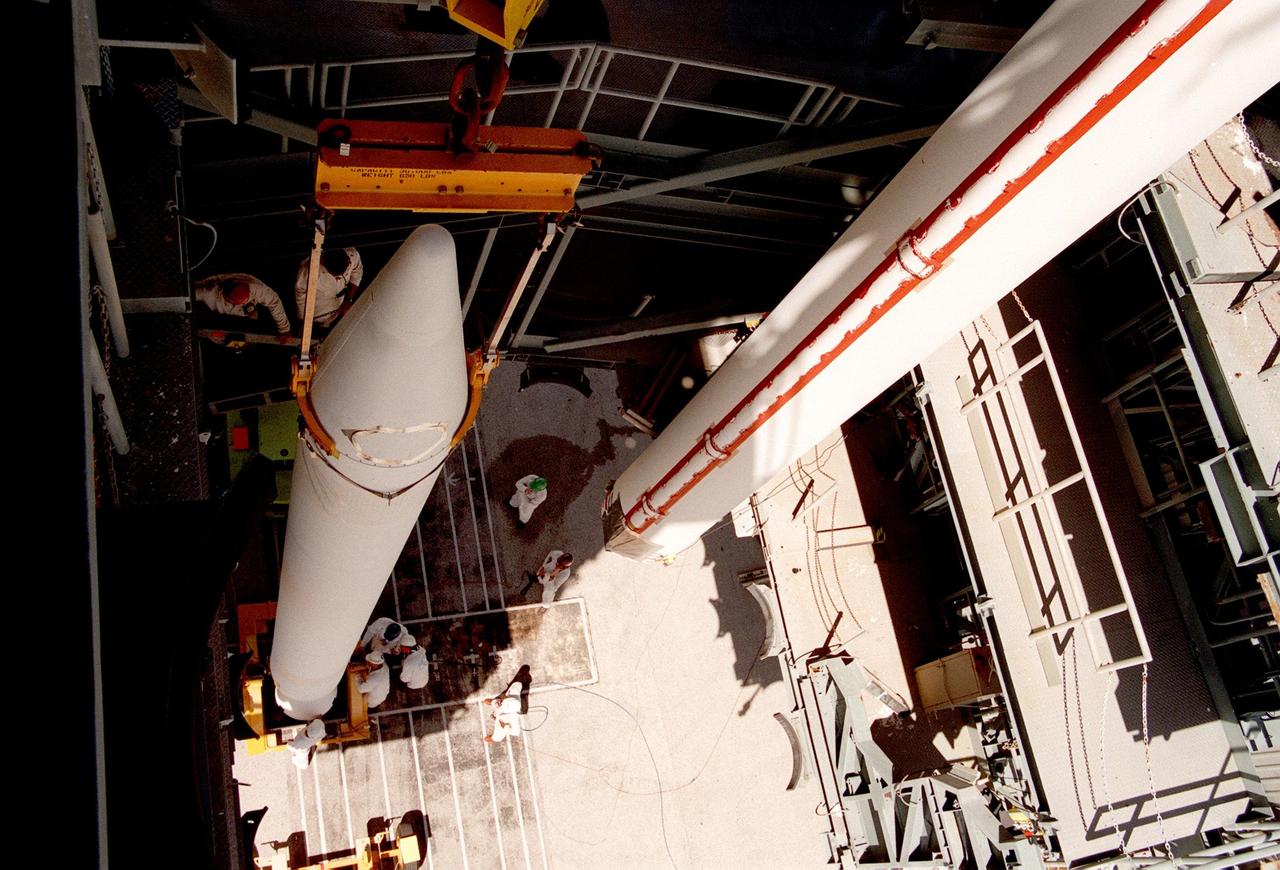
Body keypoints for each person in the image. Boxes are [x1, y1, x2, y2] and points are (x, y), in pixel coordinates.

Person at [194, 273, 291, 334]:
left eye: (246, 299)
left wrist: (284, 329)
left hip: (247, 313)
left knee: (252, 318)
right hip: (217, 315)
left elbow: (274, 302)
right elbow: (187, 295)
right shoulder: (207, 291)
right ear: (227, 298)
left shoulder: (255, 287)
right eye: (240, 302)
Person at [295, 246, 364, 328]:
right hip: (317, 317)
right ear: (322, 262)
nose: (338, 279)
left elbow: (357, 273)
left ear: (349, 261)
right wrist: (304, 323)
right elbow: (301, 300)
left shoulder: (353, 255)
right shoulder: (306, 274)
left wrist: (348, 300)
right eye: (335, 276)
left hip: (339, 311)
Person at [483, 677, 528, 743]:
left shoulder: (499, 705)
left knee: (489, 702)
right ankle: (503, 699)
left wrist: (505, 726)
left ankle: (503, 698)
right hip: (509, 709)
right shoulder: (500, 704)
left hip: (508, 710)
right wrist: (505, 727)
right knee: (489, 701)